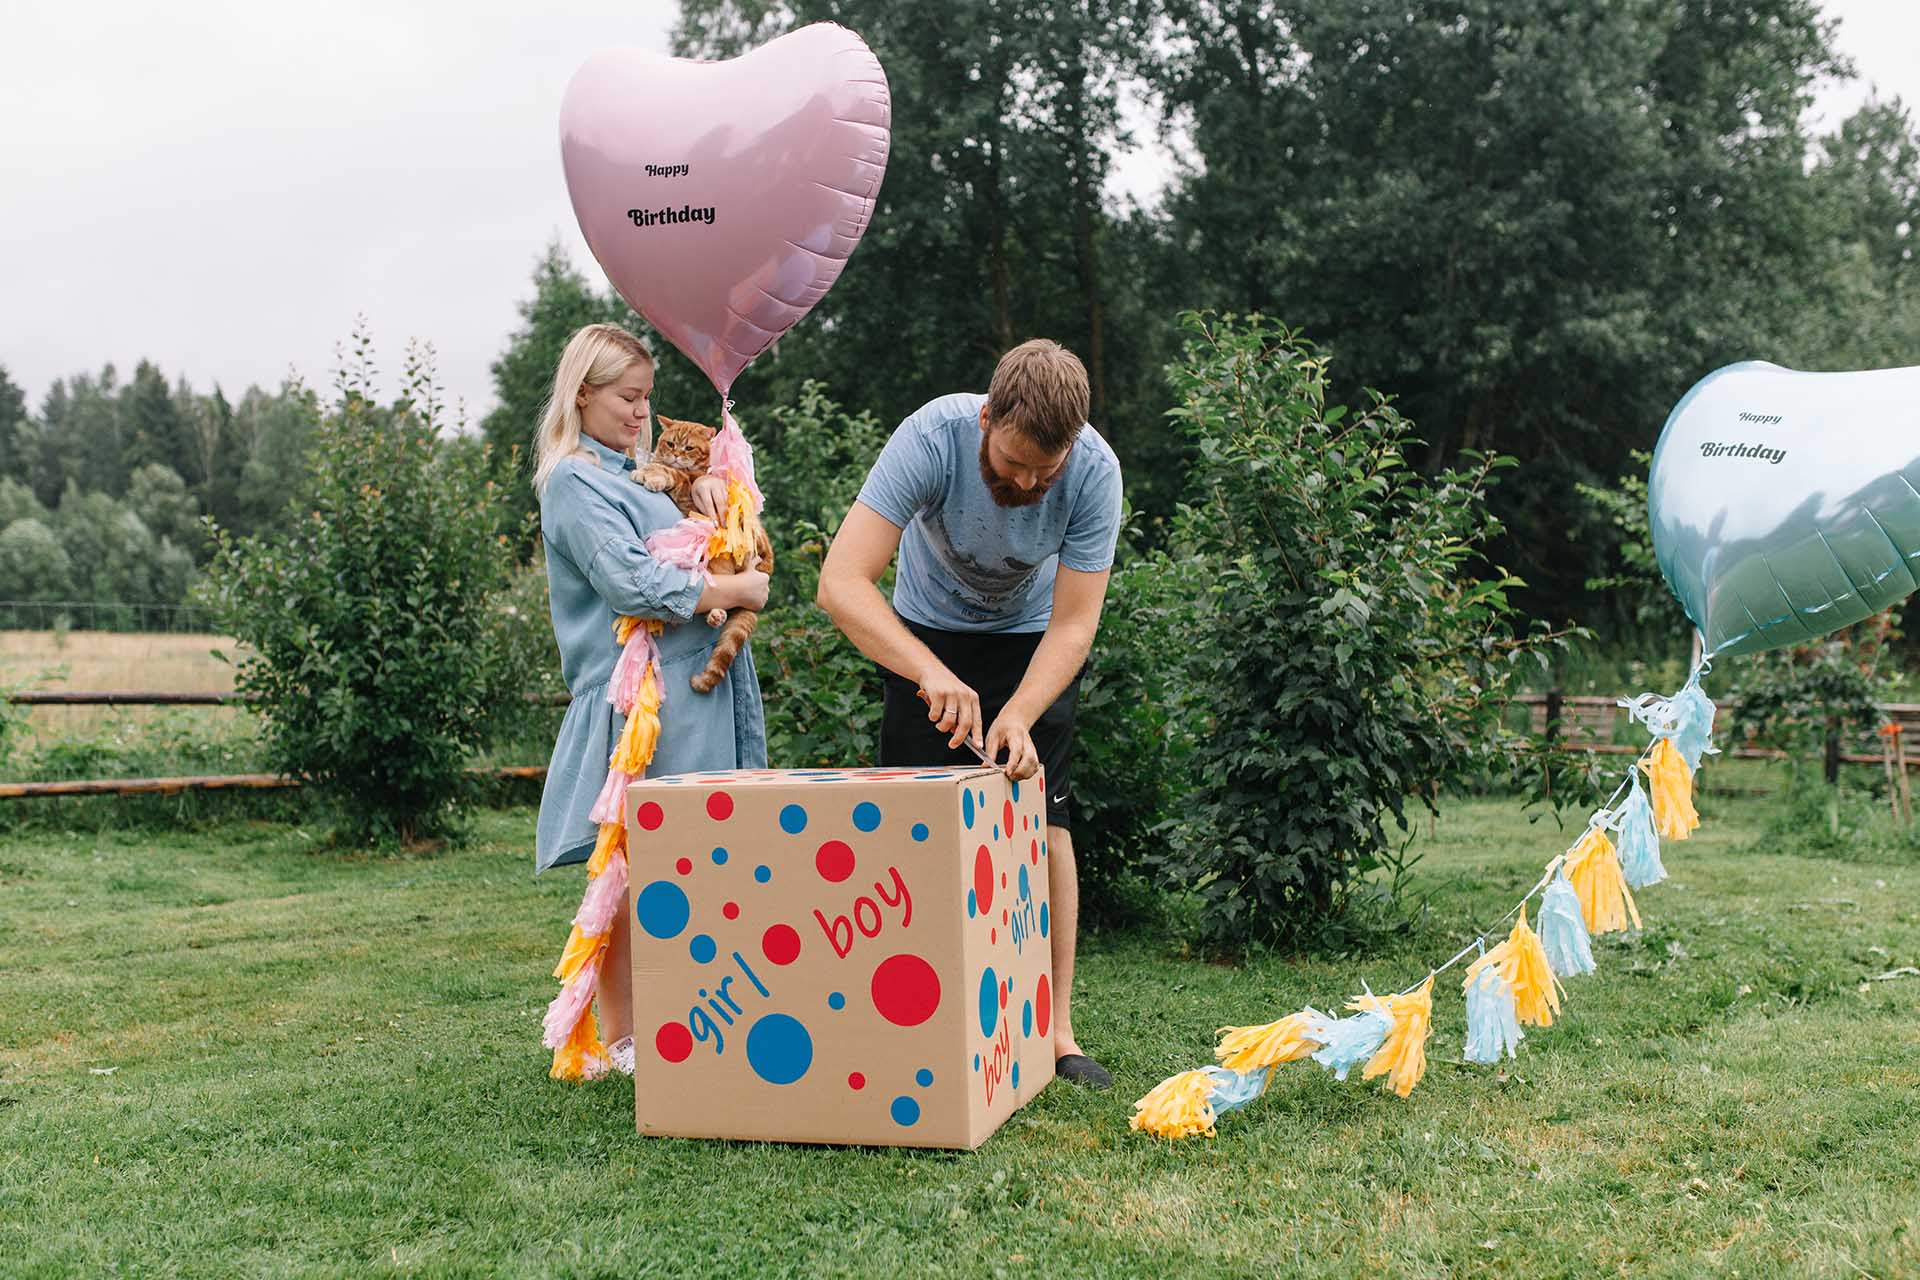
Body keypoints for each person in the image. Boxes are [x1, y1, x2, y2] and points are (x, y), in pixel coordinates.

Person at [816, 338, 1123, 1090]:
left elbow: (1075, 624)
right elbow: (841, 583)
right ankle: (903, 1019)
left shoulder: (1095, 473)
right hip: (923, 635)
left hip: (1031, 646)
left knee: (1046, 825)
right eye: (1011, 462)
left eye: (1041, 472)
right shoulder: (929, 438)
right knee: (906, 823)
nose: (1024, 482)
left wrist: (1019, 713)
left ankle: (1055, 1033)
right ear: (987, 416)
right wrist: (926, 671)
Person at [532, 322, 770, 1075]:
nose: (643, 414)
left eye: (647, 399)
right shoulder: (575, 481)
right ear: (582, 393)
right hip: (648, 701)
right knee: (637, 869)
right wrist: (733, 590)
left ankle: (696, 1014)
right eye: (629, 398)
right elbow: (631, 582)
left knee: (694, 860)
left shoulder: (637, 473)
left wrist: (703, 500)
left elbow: (680, 545)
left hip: (694, 694)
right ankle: (632, 1036)